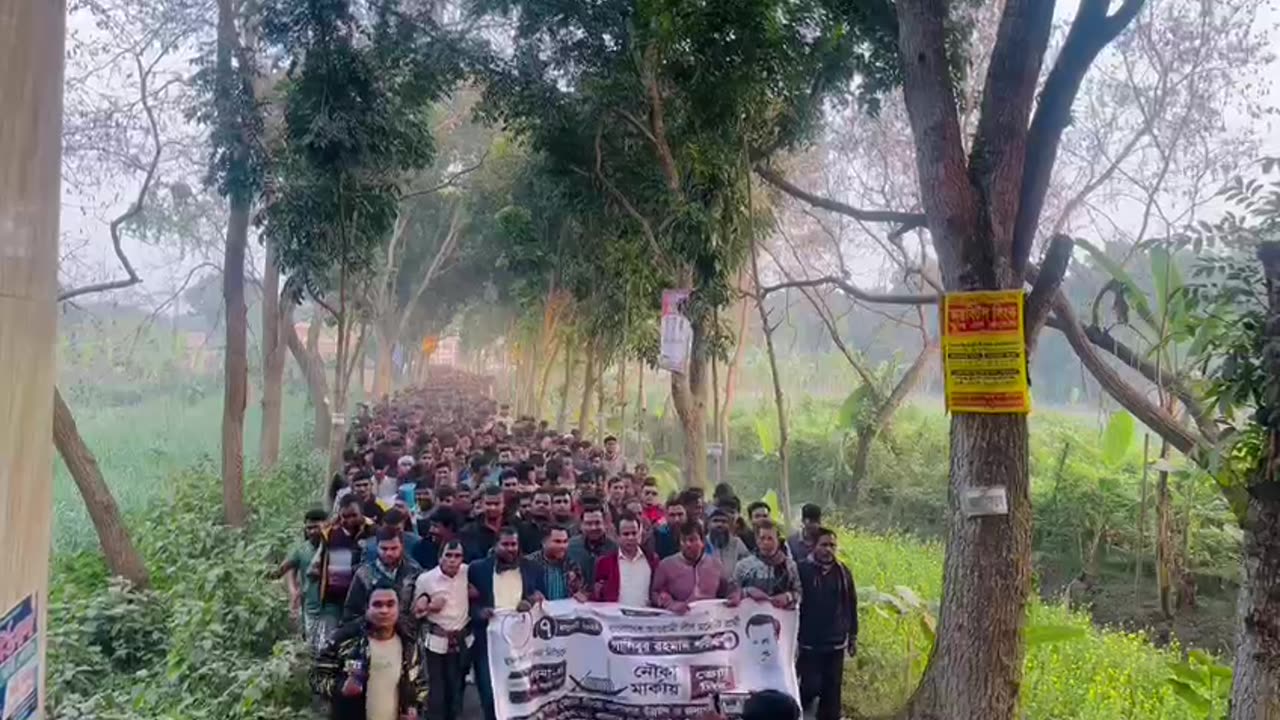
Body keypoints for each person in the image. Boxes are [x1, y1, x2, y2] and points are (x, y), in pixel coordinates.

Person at [311, 583, 426, 720]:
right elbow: (317, 677)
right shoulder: (345, 640)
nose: (384, 610)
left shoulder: (409, 643)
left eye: (390, 604)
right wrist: (341, 687)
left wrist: (414, 709)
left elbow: (421, 684)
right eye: (377, 605)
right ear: (366, 608)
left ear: (399, 608)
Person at [467, 527, 540, 720]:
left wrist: (531, 602)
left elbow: (541, 596)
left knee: (522, 692)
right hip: (488, 643)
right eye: (505, 544)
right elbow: (467, 603)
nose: (510, 548)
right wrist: (479, 612)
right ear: (495, 545)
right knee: (489, 692)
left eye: (513, 544)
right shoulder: (477, 569)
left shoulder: (532, 567)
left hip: (522, 644)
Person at [797, 528, 857, 720]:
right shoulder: (801, 570)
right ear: (813, 546)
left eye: (832, 545)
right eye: (824, 544)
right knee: (810, 686)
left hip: (836, 642)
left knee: (832, 691)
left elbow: (851, 603)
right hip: (809, 642)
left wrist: (853, 635)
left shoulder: (843, 572)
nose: (828, 549)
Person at [411, 540, 470, 720]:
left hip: (461, 641)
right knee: (436, 692)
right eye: (448, 556)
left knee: (457, 689)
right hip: (435, 642)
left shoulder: (467, 572)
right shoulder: (426, 579)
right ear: (440, 557)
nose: (452, 560)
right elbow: (415, 613)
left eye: (457, 556)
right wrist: (429, 606)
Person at [310, 496, 373, 648]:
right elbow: (320, 560)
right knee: (329, 640)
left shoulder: (372, 531)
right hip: (333, 597)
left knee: (357, 640)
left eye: (353, 515)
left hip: (362, 598)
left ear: (362, 514)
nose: (348, 520)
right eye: (344, 516)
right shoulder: (330, 533)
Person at [650, 521, 740, 614]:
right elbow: (654, 593)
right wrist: (669, 603)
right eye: (684, 540)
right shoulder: (666, 565)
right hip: (679, 619)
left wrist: (734, 595)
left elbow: (730, 588)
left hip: (710, 620)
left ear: (703, 542)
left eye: (692, 540)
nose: (688, 544)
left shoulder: (715, 564)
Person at [344, 526, 422, 623]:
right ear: (377, 547)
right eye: (384, 549)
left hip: (406, 632)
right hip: (373, 631)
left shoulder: (414, 572)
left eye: (394, 548)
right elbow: (351, 612)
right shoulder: (364, 574)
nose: (389, 553)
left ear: (402, 546)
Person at [276, 508, 328, 641]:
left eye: (316, 527)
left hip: (331, 605)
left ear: (326, 525)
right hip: (311, 605)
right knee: (312, 644)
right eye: (308, 528)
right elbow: (283, 569)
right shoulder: (301, 549)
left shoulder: (334, 546)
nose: (312, 532)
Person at [734, 520, 800, 609]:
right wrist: (746, 592)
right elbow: (732, 593)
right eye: (762, 538)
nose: (766, 542)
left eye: (770, 538)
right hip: (750, 616)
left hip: (781, 618)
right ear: (757, 541)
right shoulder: (743, 567)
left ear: (778, 540)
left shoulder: (789, 566)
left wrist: (788, 597)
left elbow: (799, 593)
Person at [592, 514, 656, 606]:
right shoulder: (605, 563)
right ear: (617, 536)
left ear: (640, 534)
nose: (630, 538)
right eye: (626, 534)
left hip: (647, 617)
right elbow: (598, 595)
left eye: (634, 533)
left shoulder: (652, 560)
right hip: (617, 618)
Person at [526, 525, 588, 601]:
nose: (562, 546)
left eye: (565, 541)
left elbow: (581, 589)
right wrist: (530, 595)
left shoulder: (572, 564)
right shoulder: (528, 563)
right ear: (544, 542)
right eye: (557, 541)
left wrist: (581, 594)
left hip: (566, 610)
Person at [567, 506, 616, 586]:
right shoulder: (571, 547)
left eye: (597, 523)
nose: (593, 528)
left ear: (605, 524)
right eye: (588, 523)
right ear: (581, 525)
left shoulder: (614, 548)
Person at [461, 486, 505, 561]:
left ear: (504, 504)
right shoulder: (468, 532)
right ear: (482, 504)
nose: (492, 507)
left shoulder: (515, 527)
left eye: (496, 504)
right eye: (488, 504)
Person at [706, 506, 749, 581]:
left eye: (724, 522)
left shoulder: (736, 543)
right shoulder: (702, 543)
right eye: (715, 521)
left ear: (729, 525)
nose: (720, 524)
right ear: (708, 525)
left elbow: (748, 566)